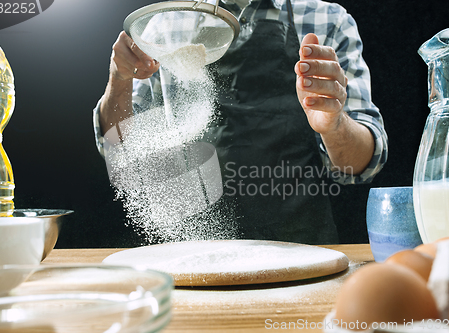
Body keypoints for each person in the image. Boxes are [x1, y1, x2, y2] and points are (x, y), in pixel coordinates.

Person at [93, 0, 388, 244]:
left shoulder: (326, 19)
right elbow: (122, 148)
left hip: (301, 244)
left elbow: (363, 164)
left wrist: (334, 125)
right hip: (195, 247)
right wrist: (119, 79)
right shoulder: (164, 25)